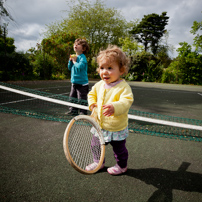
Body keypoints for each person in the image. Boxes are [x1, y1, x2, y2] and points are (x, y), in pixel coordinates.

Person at [86, 45, 134, 175]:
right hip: (100, 125)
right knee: (95, 146)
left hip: (116, 127)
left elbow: (126, 101)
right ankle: (98, 162)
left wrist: (115, 107)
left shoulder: (123, 87)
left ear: (121, 70)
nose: (104, 72)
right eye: (102, 68)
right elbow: (91, 94)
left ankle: (122, 166)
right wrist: (93, 103)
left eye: (110, 68)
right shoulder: (99, 85)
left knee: (119, 150)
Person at [67, 38, 90, 115]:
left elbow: (80, 66)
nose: (76, 45)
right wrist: (70, 61)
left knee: (81, 99)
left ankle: (83, 112)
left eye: (79, 44)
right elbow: (69, 68)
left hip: (82, 84)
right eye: (75, 43)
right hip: (74, 83)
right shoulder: (73, 57)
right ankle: (73, 110)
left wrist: (74, 61)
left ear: (83, 49)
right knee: (72, 98)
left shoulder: (82, 57)